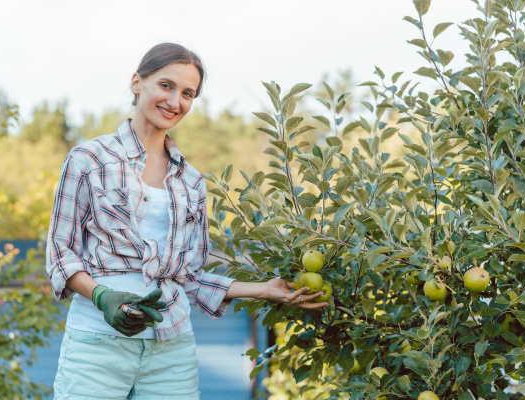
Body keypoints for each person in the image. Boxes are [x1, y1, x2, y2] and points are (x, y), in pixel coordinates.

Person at [45, 42, 328, 400]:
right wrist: (103, 296)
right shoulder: (89, 160)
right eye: (166, 86)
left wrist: (263, 288)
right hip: (98, 344)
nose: (175, 101)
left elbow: (190, 277)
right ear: (137, 83)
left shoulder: (191, 181)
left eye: (188, 93)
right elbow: (61, 252)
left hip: (171, 348)